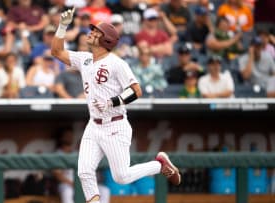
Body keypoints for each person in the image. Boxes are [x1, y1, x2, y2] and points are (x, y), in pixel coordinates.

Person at [51, 8, 181, 203]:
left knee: (121, 177)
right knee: (84, 172)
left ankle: (159, 165)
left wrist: (112, 101)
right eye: (93, 30)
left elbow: (136, 90)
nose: (92, 32)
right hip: (94, 125)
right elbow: (57, 51)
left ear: (107, 40)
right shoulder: (85, 59)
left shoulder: (116, 63)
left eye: (97, 32)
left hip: (115, 124)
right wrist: (62, 26)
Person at [52, 127, 110, 203]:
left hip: (83, 184)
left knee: (104, 190)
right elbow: (57, 174)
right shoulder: (57, 154)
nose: (69, 137)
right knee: (67, 192)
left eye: (70, 135)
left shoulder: (76, 153)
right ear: (61, 137)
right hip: (67, 184)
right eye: (67, 135)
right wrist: (74, 184)